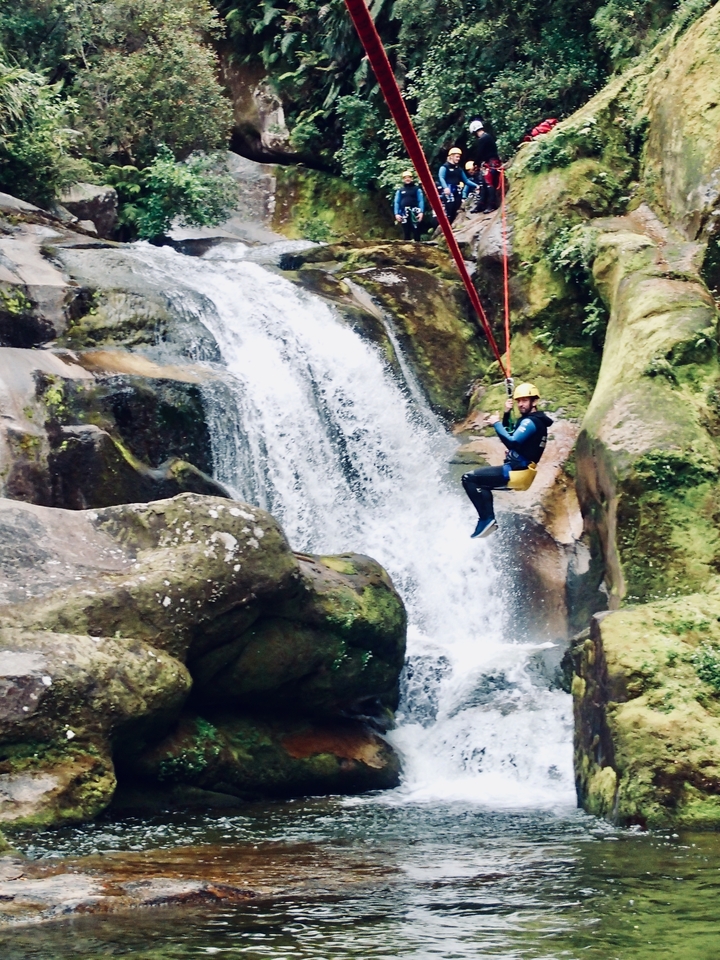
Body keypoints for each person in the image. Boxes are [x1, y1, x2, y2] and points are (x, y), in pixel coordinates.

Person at [461, 382, 553, 539]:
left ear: (535, 401)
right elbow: (512, 434)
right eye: (519, 401)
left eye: (525, 400)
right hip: (522, 474)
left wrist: (496, 423)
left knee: (469, 478)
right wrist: (506, 413)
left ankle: (486, 519)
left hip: (516, 471)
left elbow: (512, 441)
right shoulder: (536, 422)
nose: (521, 404)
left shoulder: (530, 422)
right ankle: (487, 520)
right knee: (481, 483)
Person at [467, 119, 501, 211]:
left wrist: (475, 164)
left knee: (488, 182)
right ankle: (481, 204)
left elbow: (480, 153)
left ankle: (492, 205)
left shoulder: (483, 138)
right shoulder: (486, 137)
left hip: (492, 163)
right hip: (490, 162)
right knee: (483, 182)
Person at [437, 147, 473, 223]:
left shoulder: (459, 169)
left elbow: (466, 181)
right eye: (457, 157)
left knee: (455, 210)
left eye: (459, 157)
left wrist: (477, 186)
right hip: (449, 192)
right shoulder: (444, 167)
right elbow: (441, 177)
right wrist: (445, 187)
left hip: (457, 192)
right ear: (451, 156)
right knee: (449, 211)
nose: (458, 159)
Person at [394, 169, 425, 241]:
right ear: (403, 179)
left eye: (409, 177)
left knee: (416, 230)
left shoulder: (417, 189)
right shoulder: (400, 190)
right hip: (404, 212)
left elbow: (420, 201)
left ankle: (418, 245)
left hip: (414, 211)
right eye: (405, 178)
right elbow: (397, 202)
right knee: (406, 231)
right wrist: (396, 213)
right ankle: (406, 246)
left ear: (412, 178)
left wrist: (421, 212)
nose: (407, 179)